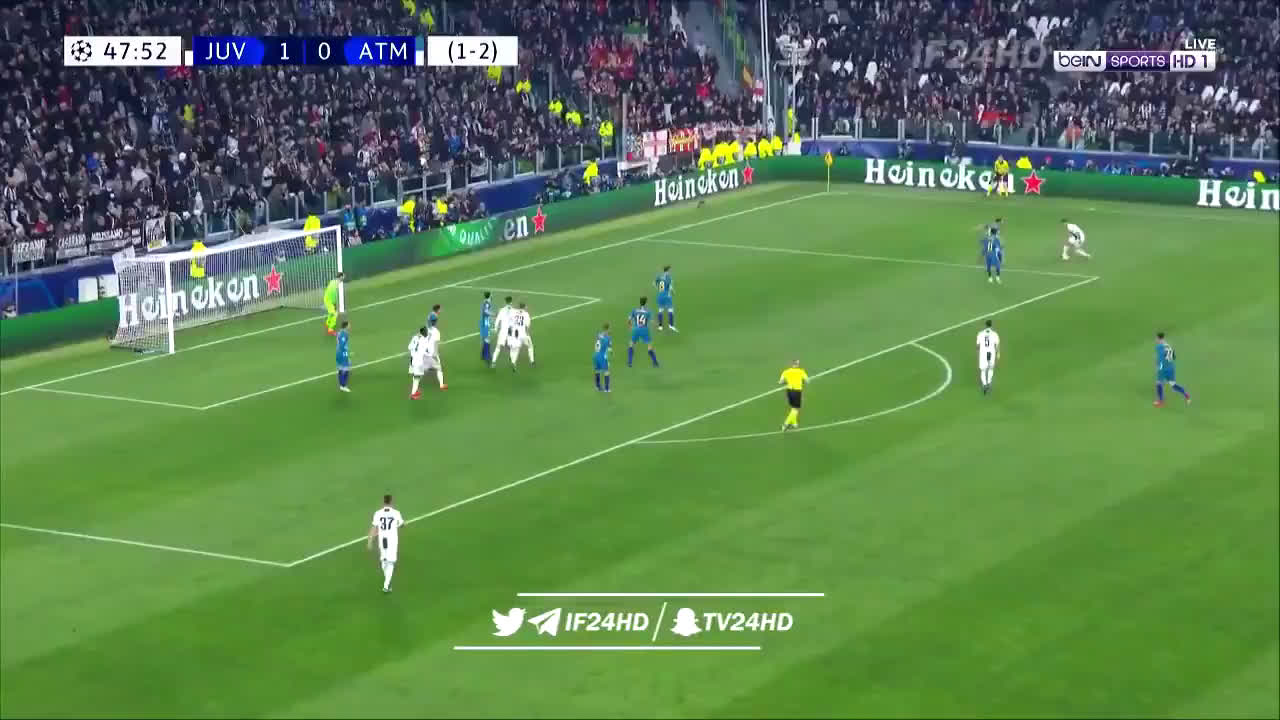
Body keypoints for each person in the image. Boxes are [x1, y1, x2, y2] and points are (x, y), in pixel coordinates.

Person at [367, 494, 405, 594]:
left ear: (383, 502)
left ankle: (387, 582)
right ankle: (386, 585)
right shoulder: (396, 513)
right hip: (392, 540)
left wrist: (370, 541)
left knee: (384, 560)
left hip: (382, 539)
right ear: (391, 501)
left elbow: (374, 528)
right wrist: (400, 525)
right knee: (391, 562)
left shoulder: (378, 513)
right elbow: (402, 524)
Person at [1154, 332, 1191, 407]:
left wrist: (1159, 367)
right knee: (1173, 385)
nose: (1155, 340)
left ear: (1158, 338)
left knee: (1159, 383)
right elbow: (1173, 357)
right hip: (1171, 367)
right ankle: (1186, 394)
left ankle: (1161, 401)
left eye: (1156, 338)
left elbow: (1160, 359)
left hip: (1163, 368)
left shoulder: (1159, 347)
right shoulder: (1168, 345)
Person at [778, 360, 809, 430]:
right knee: (796, 409)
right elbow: (807, 381)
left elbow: (780, 382)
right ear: (797, 365)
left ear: (792, 364)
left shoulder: (786, 371)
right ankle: (785, 424)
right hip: (797, 391)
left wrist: (787, 381)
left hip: (789, 391)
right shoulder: (801, 371)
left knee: (793, 407)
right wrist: (802, 381)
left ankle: (794, 422)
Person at [976, 319, 1000, 394]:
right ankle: (989, 382)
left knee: (983, 370)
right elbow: (997, 345)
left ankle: (984, 384)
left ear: (985, 325)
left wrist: (979, 352)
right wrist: (998, 353)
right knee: (990, 369)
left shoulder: (980, 334)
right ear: (991, 325)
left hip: (983, 354)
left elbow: (977, 346)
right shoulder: (995, 334)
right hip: (991, 353)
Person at [490, 296, 515, 369]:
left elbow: (497, 320)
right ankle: (513, 362)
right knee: (511, 347)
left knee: (498, 347)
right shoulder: (514, 311)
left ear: (505, 302)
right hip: (510, 331)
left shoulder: (501, 310)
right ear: (511, 302)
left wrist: (495, 329)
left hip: (503, 331)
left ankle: (493, 362)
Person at [655, 265, 677, 331]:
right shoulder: (668, 277)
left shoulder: (659, 276)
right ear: (668, 270)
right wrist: (673, 292)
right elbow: (670, 287)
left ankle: (660, 326)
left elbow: (654, 283)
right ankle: (671, 325)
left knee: (660, 310)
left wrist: (659, 289)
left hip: (660, 295)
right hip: (667, 296)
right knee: (670, 310)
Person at [982, 219, 1003, 284]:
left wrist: (983, 254)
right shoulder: (996, 239)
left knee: (988, 267)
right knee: (998, 266)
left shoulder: (986, 238)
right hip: (993, 254)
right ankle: (997, 278)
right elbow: (998, 249)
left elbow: (984, 246)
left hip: (987, 254)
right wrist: (1000, 258)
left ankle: (990, 278)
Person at [593, 323, 612, 392]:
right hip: (602, 356)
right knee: (606, 372)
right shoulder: (608, 338)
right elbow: (609, 350)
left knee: (597, 371)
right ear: (608, 329)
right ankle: (607, 389)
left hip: (595, 355)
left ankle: (597, 386)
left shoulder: (598, 335)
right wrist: (608, 360)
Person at [335, 320, 352, 392]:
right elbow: (342, 346)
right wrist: (347, 356)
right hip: (342, 353)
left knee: (340, 369)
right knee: (346, 369)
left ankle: (341, 385)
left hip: (338, 353)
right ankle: (343, 386)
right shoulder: (344, 334)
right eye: (349, 325)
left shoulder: (340, 332)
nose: (350, 326)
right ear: (346, 326)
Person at [479, 292, 493, 363]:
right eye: (491, 295)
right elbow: (486, 311)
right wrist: (493, 314)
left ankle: (483, 355)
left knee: (486, 338)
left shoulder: (486, 302)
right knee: (487, 339)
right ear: (489, 296)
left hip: (484, 321)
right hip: (485, 322)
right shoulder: (487, 303)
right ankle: (487, 356)